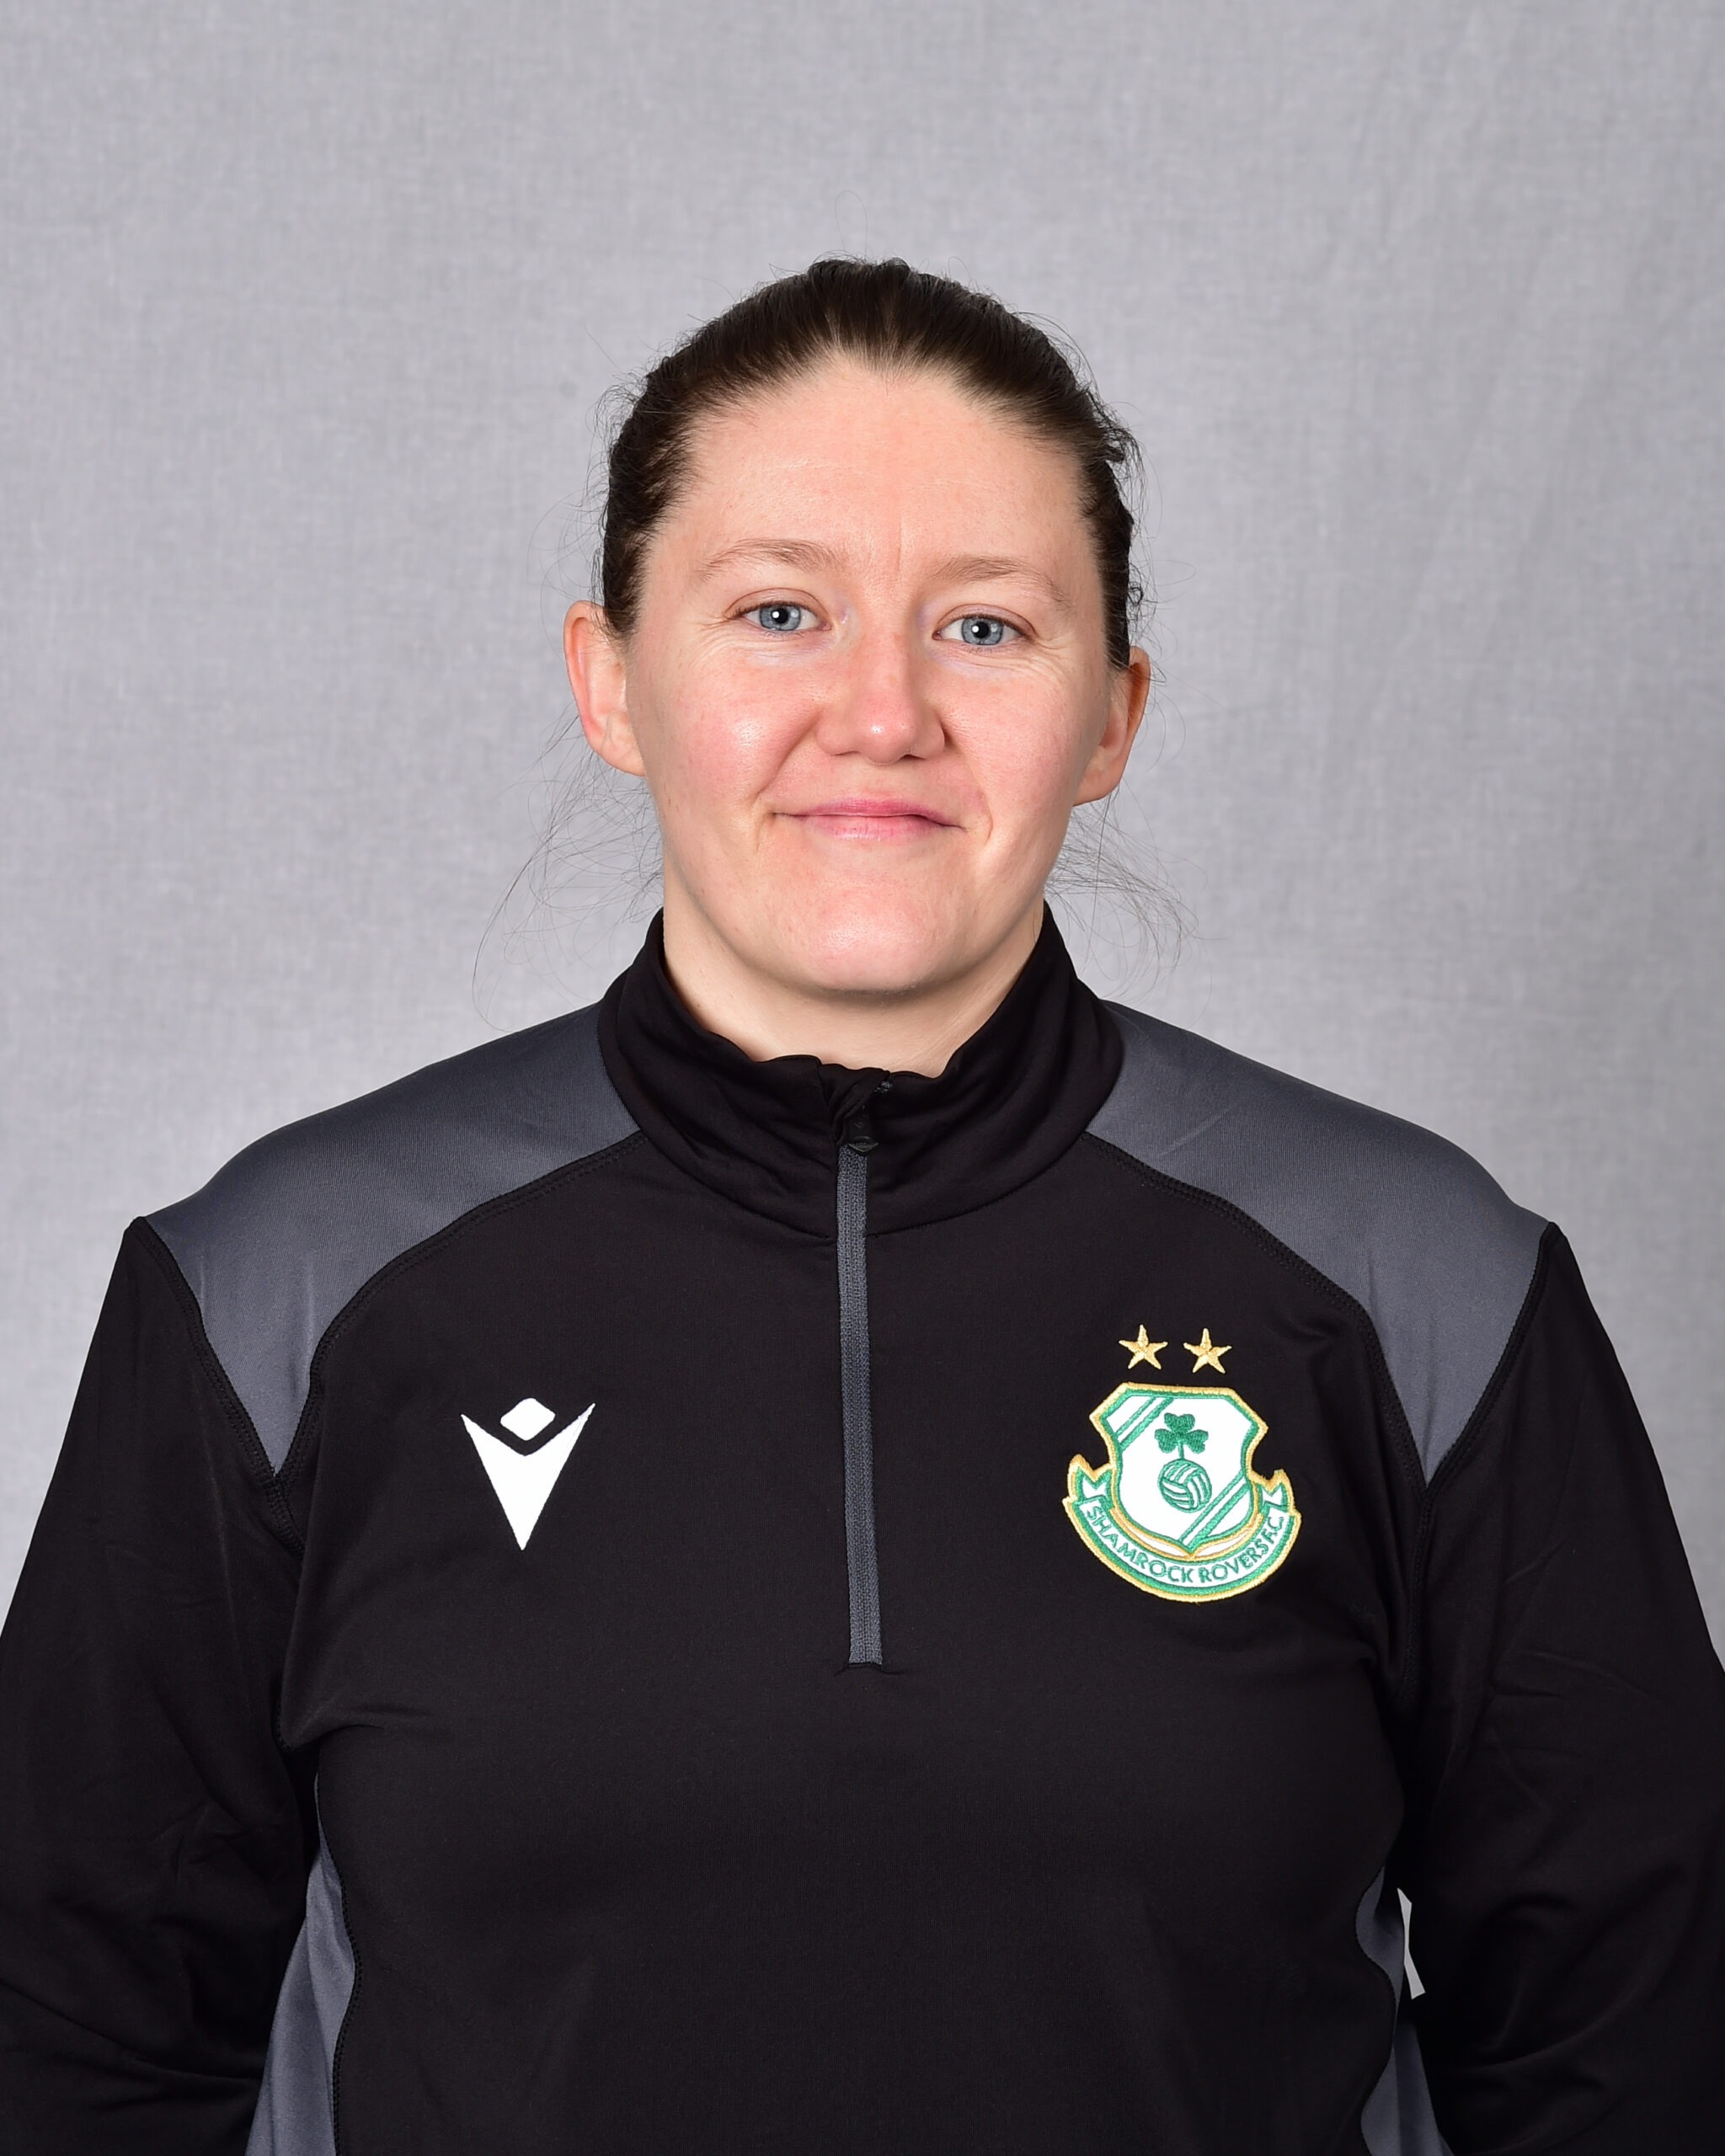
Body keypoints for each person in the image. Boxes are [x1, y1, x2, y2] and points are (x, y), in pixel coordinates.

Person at [0, 258, 1719, 2156]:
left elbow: (1628, 2045)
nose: (881, 711)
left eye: (984, 626)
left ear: (1114, 711)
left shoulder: (1418, 1287)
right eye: (778, 612)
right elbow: (74, 2043)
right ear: (611, 679)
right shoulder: (282, 1287)